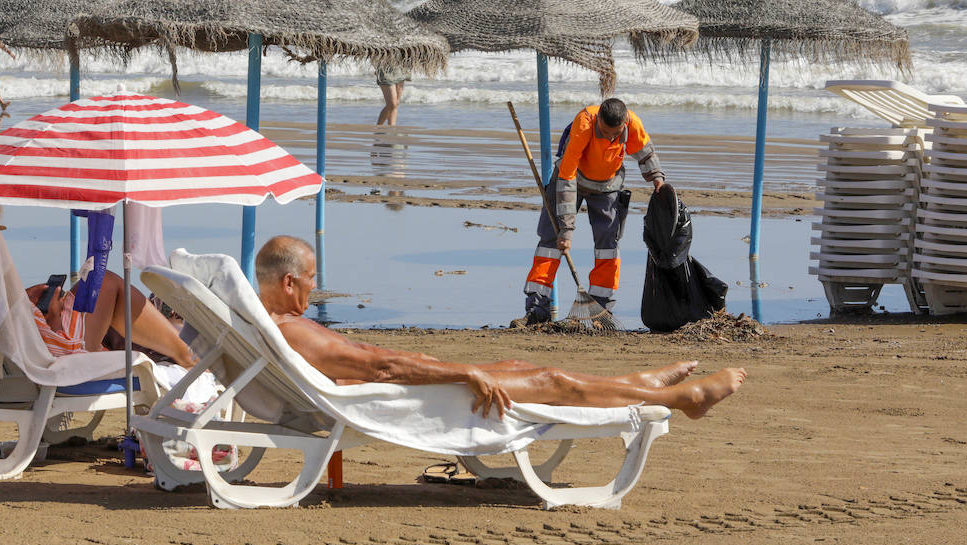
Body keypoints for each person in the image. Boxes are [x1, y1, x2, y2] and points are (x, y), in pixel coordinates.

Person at [255, 235, 745, 419]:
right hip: (409, 399)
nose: (315, 290)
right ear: (290, 279)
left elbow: (372, 360)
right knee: (552, 383)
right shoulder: (295, 332)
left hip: (414, 384)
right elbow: (379, 367)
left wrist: (444, 366)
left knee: (521, 364)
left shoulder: (281, 323)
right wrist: (462, 375)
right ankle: (681, 400)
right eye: (312, 280)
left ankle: (634, 385)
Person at [523, 97, 665, 323]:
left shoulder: (631, 123)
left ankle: (600, 308)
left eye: (615, 134)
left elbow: (645, 152)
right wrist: (566, 230)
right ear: (598, 120)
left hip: (608, 185)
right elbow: (567, 178)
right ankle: (537, 307)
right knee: (551, 240)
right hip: (572, 179)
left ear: (624, 124)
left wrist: (657, 179)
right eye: (605, 132)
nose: (610, 137)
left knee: (608, 244)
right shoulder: (584, 124)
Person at [25, 268, 196, 368]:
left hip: (41, 345)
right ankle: (185, 355)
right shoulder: (1, 290)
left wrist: (25, 299)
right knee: (100, 279)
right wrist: (53, 315)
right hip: (61, 345)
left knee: (98, 283)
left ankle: (177, 342)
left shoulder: (0, 288)